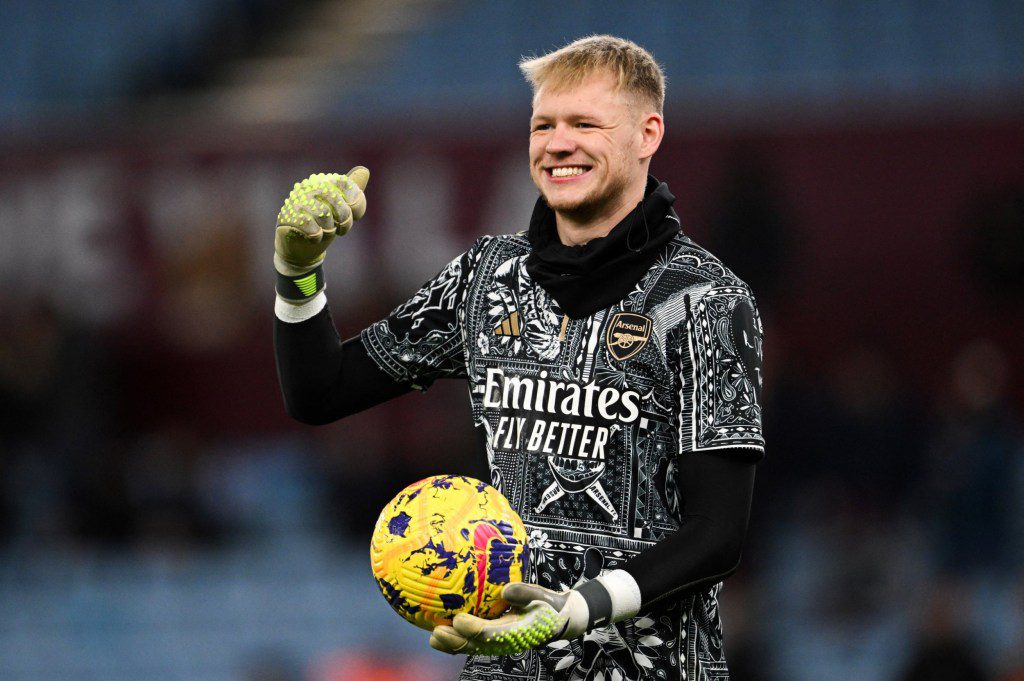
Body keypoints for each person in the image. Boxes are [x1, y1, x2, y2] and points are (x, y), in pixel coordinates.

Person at [274, 35, 765, 681]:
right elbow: (322, 391)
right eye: (543, 124)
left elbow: (718, 532)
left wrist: (575, 609)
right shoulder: (487, 275)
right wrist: (298, 272)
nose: (557, 143)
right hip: (502, 666)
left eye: (585, 123)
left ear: (647, 134)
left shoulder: (706, 300)